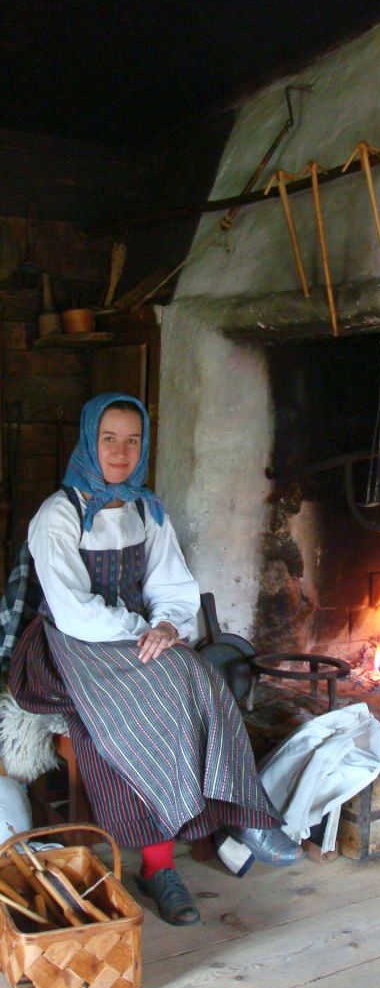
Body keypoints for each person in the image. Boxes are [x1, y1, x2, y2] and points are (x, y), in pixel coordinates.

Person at [8, 392, 302, 926]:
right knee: (156, 698)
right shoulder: (60, 513)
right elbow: (74, 611)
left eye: (132, 441)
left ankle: (238, 822)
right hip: (71, 645)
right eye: (109, 439)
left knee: (197, 674)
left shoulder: (148, 509)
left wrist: (168, 624)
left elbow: (173, 585)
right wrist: (145, 630)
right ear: (89, 441)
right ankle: (173, 857)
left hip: (139, 641)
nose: (120, 453)